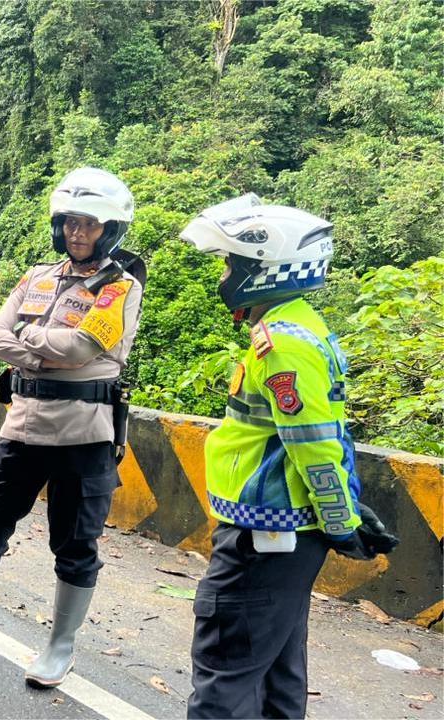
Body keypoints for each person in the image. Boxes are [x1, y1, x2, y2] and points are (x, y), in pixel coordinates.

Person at [0, 167, 145, 689]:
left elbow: (81, 348)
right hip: (23, 429)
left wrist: (28, 341)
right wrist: (43, 346)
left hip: (85, 436)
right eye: (69, 223)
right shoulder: (37, 277)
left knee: (75, 541)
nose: (77, 234)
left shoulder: (120, 288)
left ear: (109, 230)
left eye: (88, 224)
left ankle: (60, 647)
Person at [179, 195, 399, 719]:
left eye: (233, 263)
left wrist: (342, 521)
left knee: (226, 671)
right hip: (282, 534)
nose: (225, 274)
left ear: (266, 270)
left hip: (265, 537)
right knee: (275, 671)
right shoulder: (297, 326)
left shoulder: (282, 343)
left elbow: (314, 444)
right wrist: (340, 516)